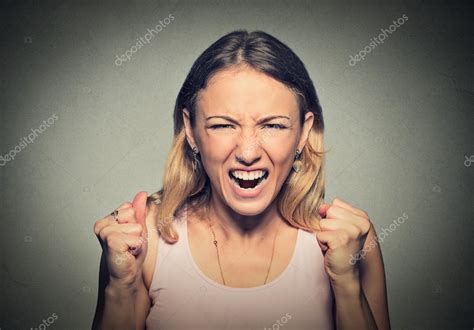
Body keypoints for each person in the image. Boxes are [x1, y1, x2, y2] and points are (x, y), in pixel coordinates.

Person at [92, 30, 390, 330]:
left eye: (273, 125)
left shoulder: (351, 241)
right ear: (192, 131)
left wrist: (348, 287)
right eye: (223, 125)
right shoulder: (145, 240)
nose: (248, 153)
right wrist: (120, 290)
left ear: (302, 133)